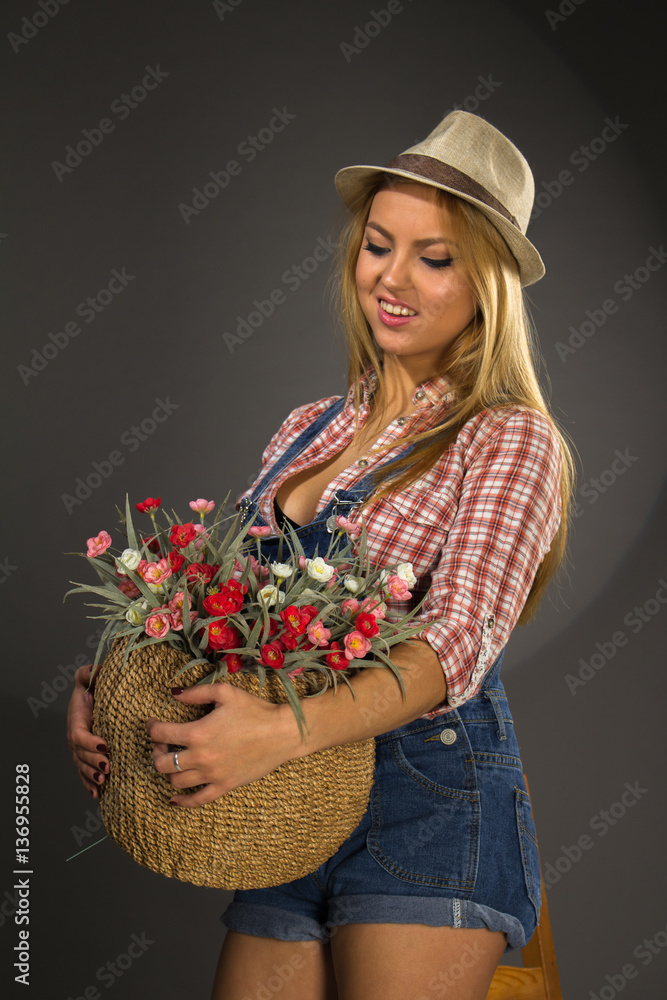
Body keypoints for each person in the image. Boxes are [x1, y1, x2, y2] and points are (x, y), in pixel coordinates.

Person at [67, 110, 573, 999]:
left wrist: (272, 731)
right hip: (287, 800)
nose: (393, 277)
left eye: (435, 256)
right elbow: (224, 614)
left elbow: (454, 645)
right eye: (380, 244)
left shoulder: (507, 438)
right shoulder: (309, 428)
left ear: (487, 282)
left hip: (425, 802)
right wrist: (108, 690)